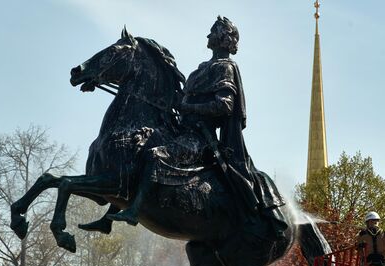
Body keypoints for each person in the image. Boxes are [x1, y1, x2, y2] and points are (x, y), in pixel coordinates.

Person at [107, 16, 288, 239]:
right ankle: (108, 215)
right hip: (183, 130)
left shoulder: (225, 68)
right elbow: (184, 101)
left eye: (213, 32)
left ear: (223, 38)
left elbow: (225, 105)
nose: (208, 36)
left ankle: (134, 212)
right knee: (136, 148)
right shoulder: (203, 68)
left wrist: (189, 106)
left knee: (155, 155)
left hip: (199, 139)